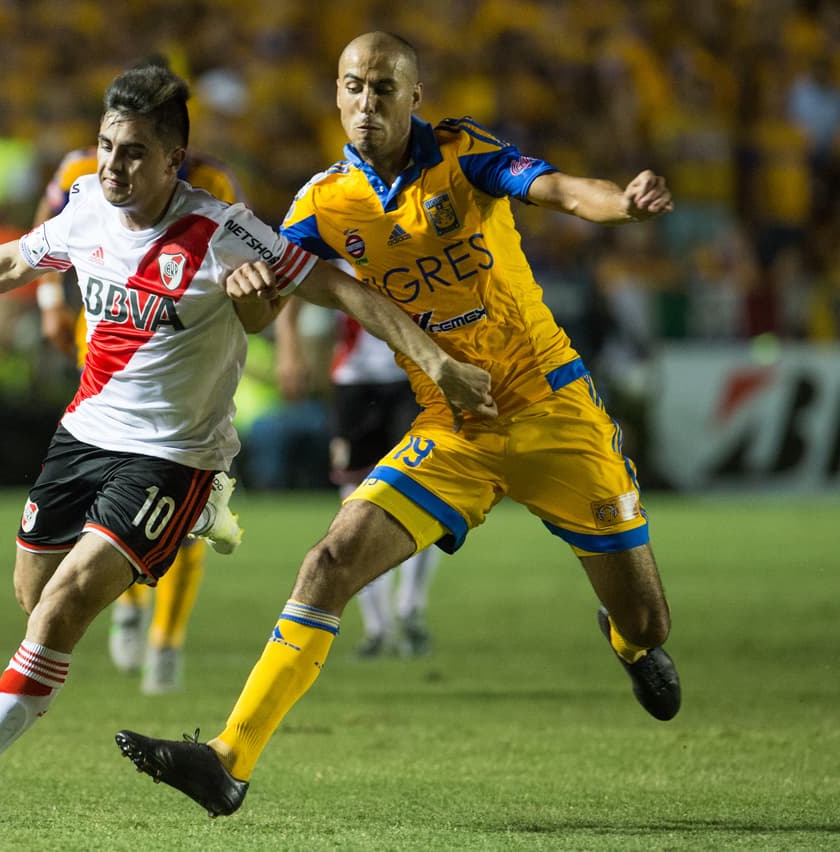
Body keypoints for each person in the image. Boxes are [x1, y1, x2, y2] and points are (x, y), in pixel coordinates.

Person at [0, 61, 494, 824]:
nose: (112, 165)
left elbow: (343, 290)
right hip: (82, 434)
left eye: (132, 152)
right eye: (104, 145)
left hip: (173, 454)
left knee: (62, 609)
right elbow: (16, 260)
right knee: (35, 602)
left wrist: (434, 359)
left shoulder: (223, 230)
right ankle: (165, 542)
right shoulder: (88, 206)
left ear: (172, 160)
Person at [115, 31, 681, 818]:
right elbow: (261, 309)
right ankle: (226, 760)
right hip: (453, 428)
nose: (367, 103)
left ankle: (626, 642)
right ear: (336, 97)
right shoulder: (322, 202)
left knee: (648, 621)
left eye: (384, 88)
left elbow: (558, 190)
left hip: (554, 413)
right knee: (329, 561)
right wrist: (249, 290)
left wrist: (620, 201)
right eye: (353, 87)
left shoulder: (463, 155)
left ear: (416, 98)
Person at [32, 132, 246, 695]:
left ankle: (167, 640)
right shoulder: (81, 169)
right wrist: (52, 302)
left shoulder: (214, 182)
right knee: (112, 500)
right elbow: (45, 225)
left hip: (184, 379)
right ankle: (128, 604)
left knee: (186, 516)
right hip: (107, 368)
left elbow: (249, 264)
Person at [277, 293, 438, 658]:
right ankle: (377, 626)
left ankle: (410, 607)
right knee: (355, 503)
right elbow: (296, 291)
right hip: (353, 381)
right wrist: (290, 351)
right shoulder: (336, 238)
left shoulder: (411, 237)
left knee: (421, 493)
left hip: (415, 374)